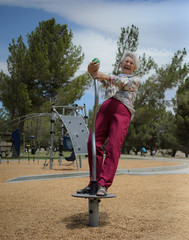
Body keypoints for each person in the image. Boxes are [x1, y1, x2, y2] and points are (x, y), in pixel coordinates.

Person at [77, 51, 140, 196]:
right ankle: (94, 181)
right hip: (105, 110)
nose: (128, 64)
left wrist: (103, 75)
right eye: (126, 61)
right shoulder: (112, 79)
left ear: (134, 68)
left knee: (113, 147)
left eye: (131, 63)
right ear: (121, 64)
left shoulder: (135, 80)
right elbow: (101, 79)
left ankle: (103, 184)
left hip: (122, 111)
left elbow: (121, 82)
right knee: (92, 143)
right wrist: (92, 71)